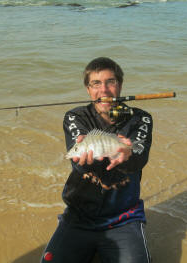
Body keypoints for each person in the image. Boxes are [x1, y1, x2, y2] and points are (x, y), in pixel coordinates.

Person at [41, 57, 153, 263]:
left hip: (124, 218)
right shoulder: (75, 117)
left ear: (120, 85)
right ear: (88, 89)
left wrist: (128, 155)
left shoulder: (141, 118)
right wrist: (84, 158)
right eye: (96, 83)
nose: (104, 90)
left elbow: (139, 159)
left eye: (110, 82)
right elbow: (77, 162)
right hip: (79, 216)